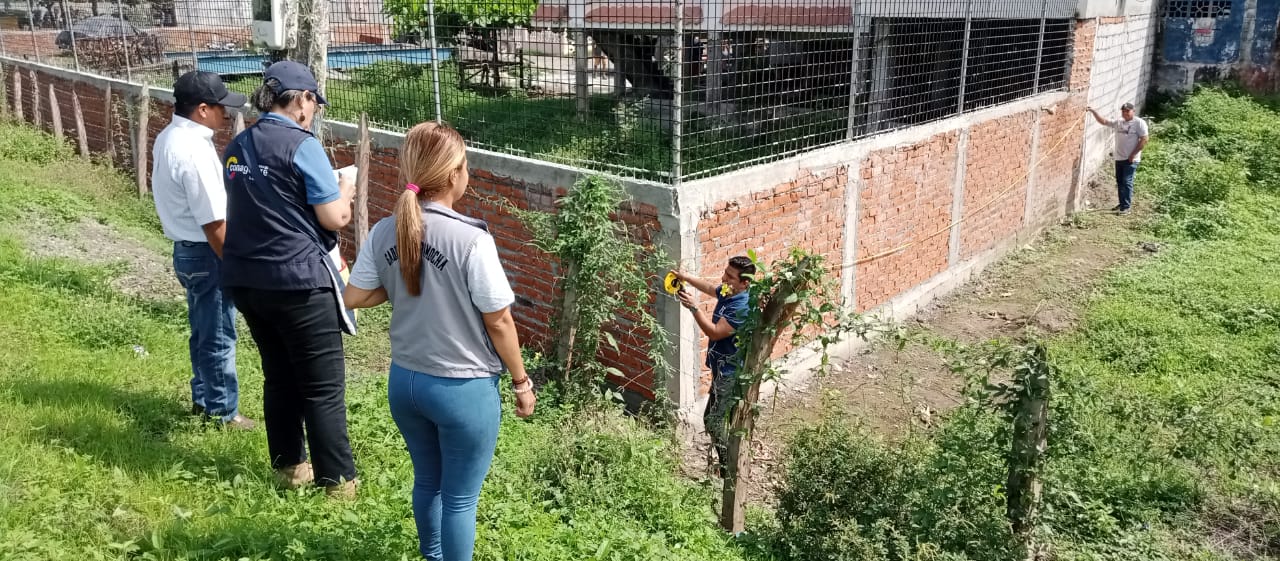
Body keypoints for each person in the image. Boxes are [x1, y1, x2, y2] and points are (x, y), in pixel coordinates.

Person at [343, 121, 536, 561]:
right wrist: (521, 382)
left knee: (428, 481)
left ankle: (432, 556)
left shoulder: (385, 230)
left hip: (405, 382)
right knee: (461, 499)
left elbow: (354, 296)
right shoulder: (472, 239)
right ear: (453, 175)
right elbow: (500, 321)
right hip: (461, 388)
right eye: (465, 166)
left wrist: (406, 282)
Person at [221, 61, 359, 498]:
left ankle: (289, 468)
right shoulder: (303, 145)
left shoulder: (239, 144)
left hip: (247, 280)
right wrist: (346, 191)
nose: (314, 112)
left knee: (279, 377)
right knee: (322, 388)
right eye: (315, 103)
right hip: (299, 282)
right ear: (302, 99)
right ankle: (338, 484)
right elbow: (334, 217)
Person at [151, 71, 253, 429]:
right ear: (203, 109)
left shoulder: (169, 137)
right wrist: (236, 265)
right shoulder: (193, 150)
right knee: (219, 336)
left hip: (187, 250)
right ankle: (223, 413)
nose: (226, 114)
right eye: (221, 107)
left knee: (203, 331)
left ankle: (203, 398)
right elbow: (213, 222)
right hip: (207, 251)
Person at [670, 256, 755, 477]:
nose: (724, 278)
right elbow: (710, 289)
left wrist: (693, 308)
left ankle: (729, 469)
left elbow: (715, 332)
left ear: (745, 282)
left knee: (713, 420)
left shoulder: (742, 307)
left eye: (730, 276)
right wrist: (686, 277)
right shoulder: (730, 292)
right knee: (721, 418)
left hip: (730, 372)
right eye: (725, 272)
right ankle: (731, 464)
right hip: (721, 367)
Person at [1088, 102, 1149, 215]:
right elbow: (1104, 121)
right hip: (1119, 157)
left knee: (1126, 181)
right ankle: (1122, 204)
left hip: (1131, 159)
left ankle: (1126, 207)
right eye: (1123, 111)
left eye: (1127, 111)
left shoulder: (1139, 123)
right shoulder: (1119, 122)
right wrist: (1093, 111)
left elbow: (1144, 139)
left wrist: (1133, 154)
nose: (1125, 113)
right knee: (1120, 181)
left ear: (1133, 111)